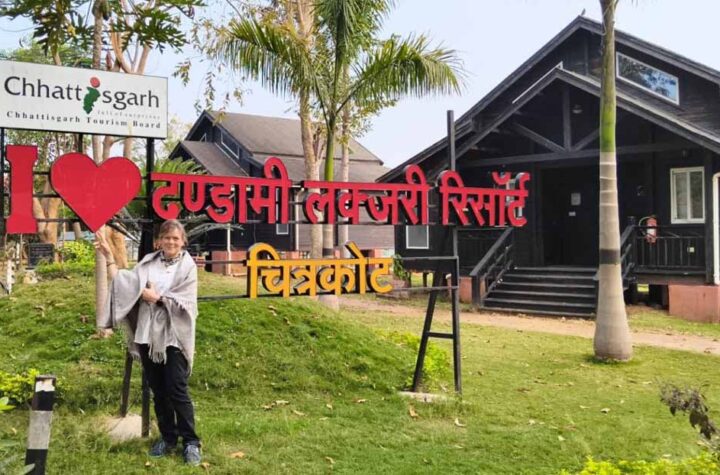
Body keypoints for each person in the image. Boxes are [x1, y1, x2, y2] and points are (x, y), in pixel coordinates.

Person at [96, 220, 202, 466]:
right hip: (147, 335)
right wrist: (109, 256)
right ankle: (168, 438)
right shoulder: (148, 263)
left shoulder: (188, 267)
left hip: (174, 336)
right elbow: (124, 283)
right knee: (158, 390)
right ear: (159, 241)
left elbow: (187, 301)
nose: (171, 242)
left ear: (183, 242)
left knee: (177, 389)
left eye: (175, 238)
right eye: (167, 238)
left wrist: (158, 298)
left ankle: (191, 442)